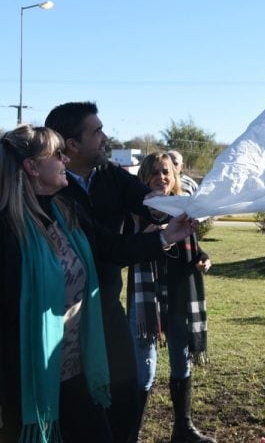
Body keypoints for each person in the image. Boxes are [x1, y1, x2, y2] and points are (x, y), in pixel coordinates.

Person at [0, 125, 197, 443]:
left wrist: (166, 235)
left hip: (77, 369)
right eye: (56, 154)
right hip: (30, 379)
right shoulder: (9, 231)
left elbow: (112, 248)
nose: (65, 160)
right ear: (32, 167)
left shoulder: (66, 212)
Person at [45, 101, 154, 443]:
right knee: (76, 401)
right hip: (65, 316)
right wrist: (163, 237)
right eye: (97, 131)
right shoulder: (53, 189)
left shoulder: (109, 175)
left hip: (105, 301)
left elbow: (150, 201)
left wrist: (178, 210)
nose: (105, 137)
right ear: (72, 144)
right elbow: (102, 246)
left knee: (126, 391)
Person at [127, 152, 215, 443]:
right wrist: (146, 239)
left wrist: (202, 259)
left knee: (182, 361)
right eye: (153, 173)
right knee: (144, 371)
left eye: (165, 172)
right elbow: (120, 250)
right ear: (143, 178)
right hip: (146, 299)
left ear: (174, 175)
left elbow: (192, 246)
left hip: (180, 294)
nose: (160, 178)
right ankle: (130, 434)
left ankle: (183, 429)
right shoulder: (135, 210)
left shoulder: (184, 208)